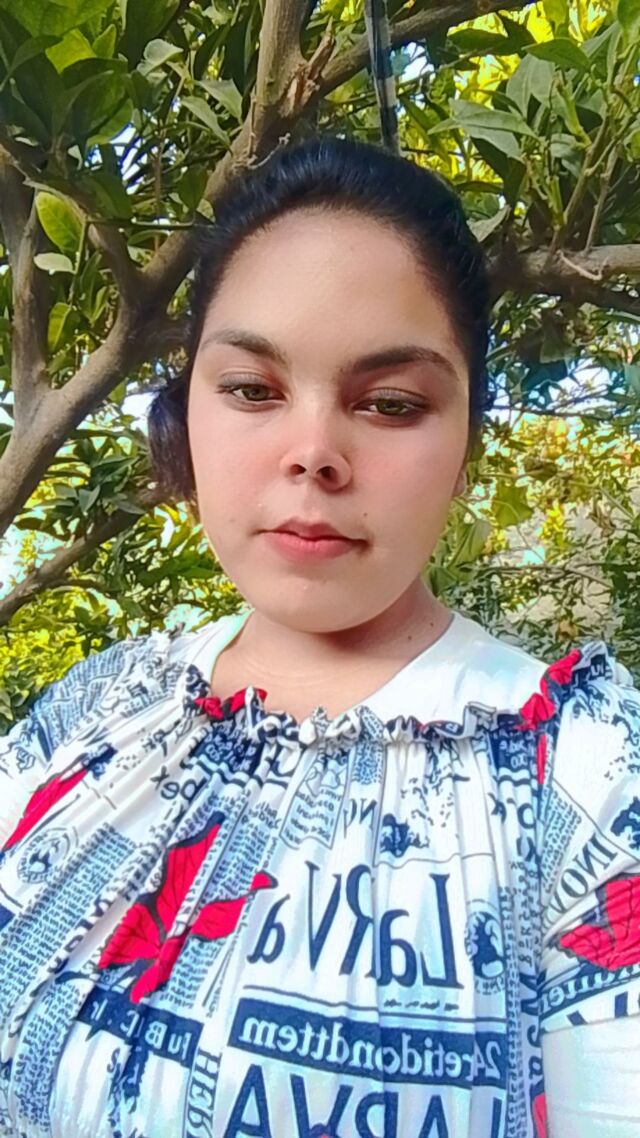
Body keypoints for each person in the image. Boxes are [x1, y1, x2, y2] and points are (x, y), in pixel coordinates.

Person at [0, 135, 638, 1138]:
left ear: (466, 438)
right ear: (187, 409)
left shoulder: (590, 779)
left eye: (389, 403)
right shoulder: (96, 707)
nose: (313, 453)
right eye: (252, 389)